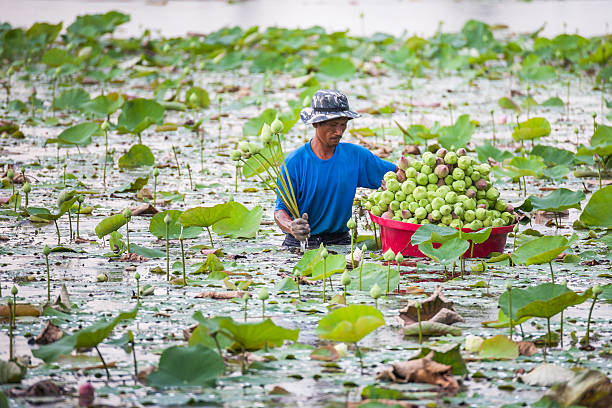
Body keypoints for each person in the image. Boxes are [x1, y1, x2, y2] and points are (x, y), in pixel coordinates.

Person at [274, 89, 396, 248]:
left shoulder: (356, 156)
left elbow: (397, 174)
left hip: (340, 242)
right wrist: (292, 227)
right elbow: (279, 212)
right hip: (301, 242)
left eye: (343, 125)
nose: (339, 132)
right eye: (333, 125)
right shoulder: (294, 163)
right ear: (315, 123)